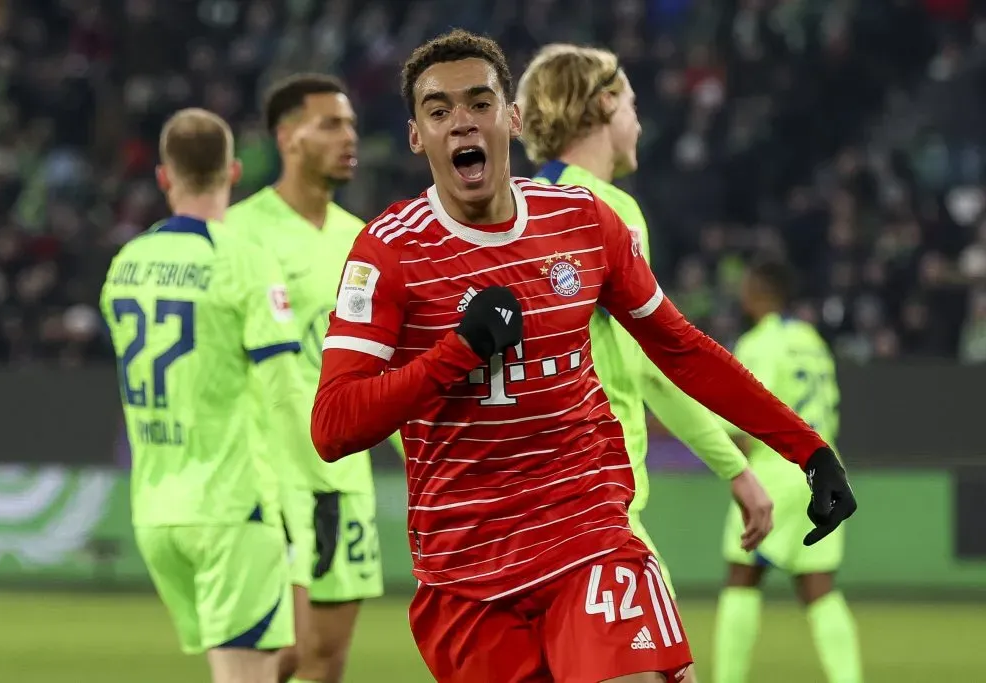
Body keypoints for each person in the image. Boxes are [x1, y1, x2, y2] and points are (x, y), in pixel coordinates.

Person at [310, 30, 856, 683]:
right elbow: (334, 425)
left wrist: (808, 449)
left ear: (513, 118)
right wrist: (459, 351)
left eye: (479, 103)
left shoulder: (584, 220)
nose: (462, 121)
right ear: (416, 136)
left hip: (588, 534)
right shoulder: (388, 253)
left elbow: (681, 349)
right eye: (438, 110)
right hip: (466, 573)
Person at [516, 41, 773, 623]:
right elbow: (658, 365)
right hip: (596, 500)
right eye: (631, 104)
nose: (639, 121)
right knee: (668, 663)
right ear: (603, 105)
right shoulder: (609, 209)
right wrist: (736, 469)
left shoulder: (521, 206)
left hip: (530, 504)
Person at [100, 108, 308, 683]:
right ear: (234, 172)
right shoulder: (244, 261)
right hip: (232, 508)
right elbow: (286, 394)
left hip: (155, 510)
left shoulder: (125, 265)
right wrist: (310, 493)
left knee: (263, 661)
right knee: (248, 673)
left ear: (164, 176)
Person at [224, 74, 396, 683]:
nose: (349, 137)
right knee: (279, 657)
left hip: (344, 480)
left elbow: (387, 367)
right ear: (287, 137)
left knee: (326, 661)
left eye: (351, 124)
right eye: (330, 124)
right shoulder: (239, 233)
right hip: (272, 478)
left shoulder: (364, 241)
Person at [712, 258, 863, 683]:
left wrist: (729, 460)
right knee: (819, 586)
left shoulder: (760, 342)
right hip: (823, 469)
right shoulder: (811, 340)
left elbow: (745, 412)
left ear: (760, 292)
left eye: (746, 287)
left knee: (742, 576)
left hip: (775, 470)